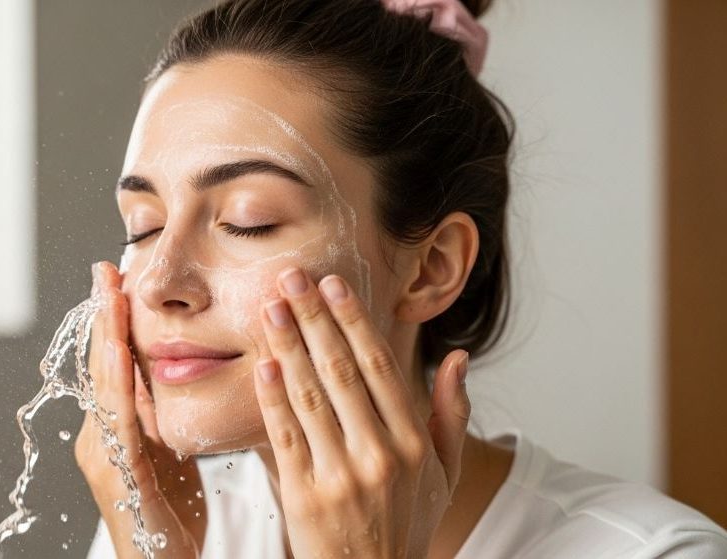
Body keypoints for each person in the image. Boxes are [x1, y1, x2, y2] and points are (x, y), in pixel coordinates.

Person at [75, 0, 727, 557]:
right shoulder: (167, 524)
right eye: (143, 227)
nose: (159, 281)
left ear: (432, 267)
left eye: (250, 221)